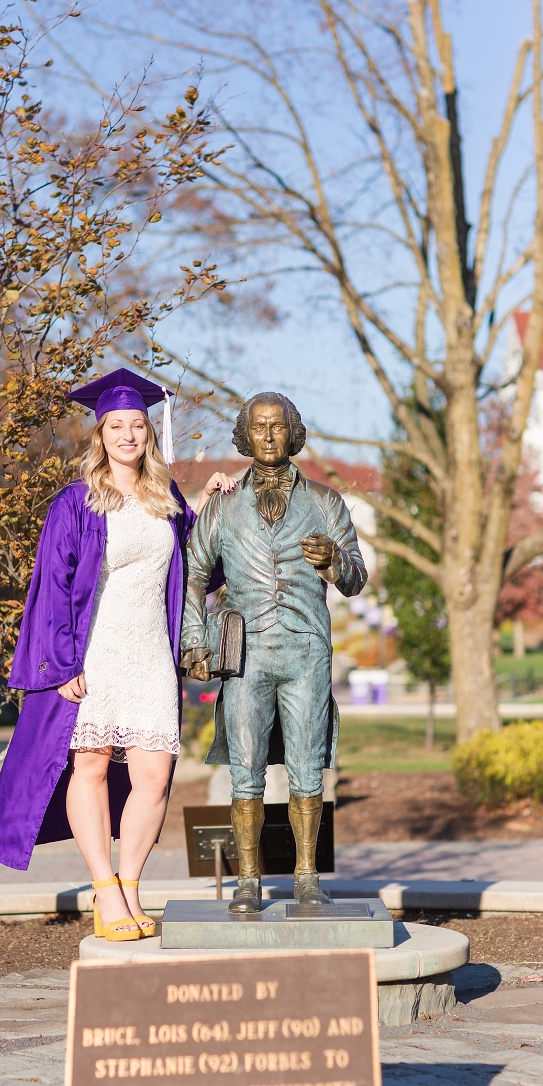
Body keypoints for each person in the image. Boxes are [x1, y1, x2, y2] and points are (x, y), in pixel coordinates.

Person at [0, 368, 234, 940]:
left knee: (154, 775)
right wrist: (62, 663)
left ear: (148, 433)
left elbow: (204, 565)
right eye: (116, 425)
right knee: (90, 764)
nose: (128, 434)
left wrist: (217, 506)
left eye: (137, 425)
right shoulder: (75, 504)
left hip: (149, 653)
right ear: (101, 434)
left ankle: (131, 885)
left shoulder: (167, 499)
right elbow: (51, 587)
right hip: (92, 653)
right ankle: (104, 889)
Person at [181, 391, 367, 914]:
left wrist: (334, 560)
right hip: (246, 653)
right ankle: (247, 880)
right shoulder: (221, 506)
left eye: (277, 426)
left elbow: (356, 578)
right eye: (258, 427)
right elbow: (194, 574)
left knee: (309, 768)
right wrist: (194, 640)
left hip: (307, 650)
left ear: (293, 433)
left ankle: (306, 875)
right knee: (246, 769)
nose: (267, 436)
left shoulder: (326, 503)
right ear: (245, 434)